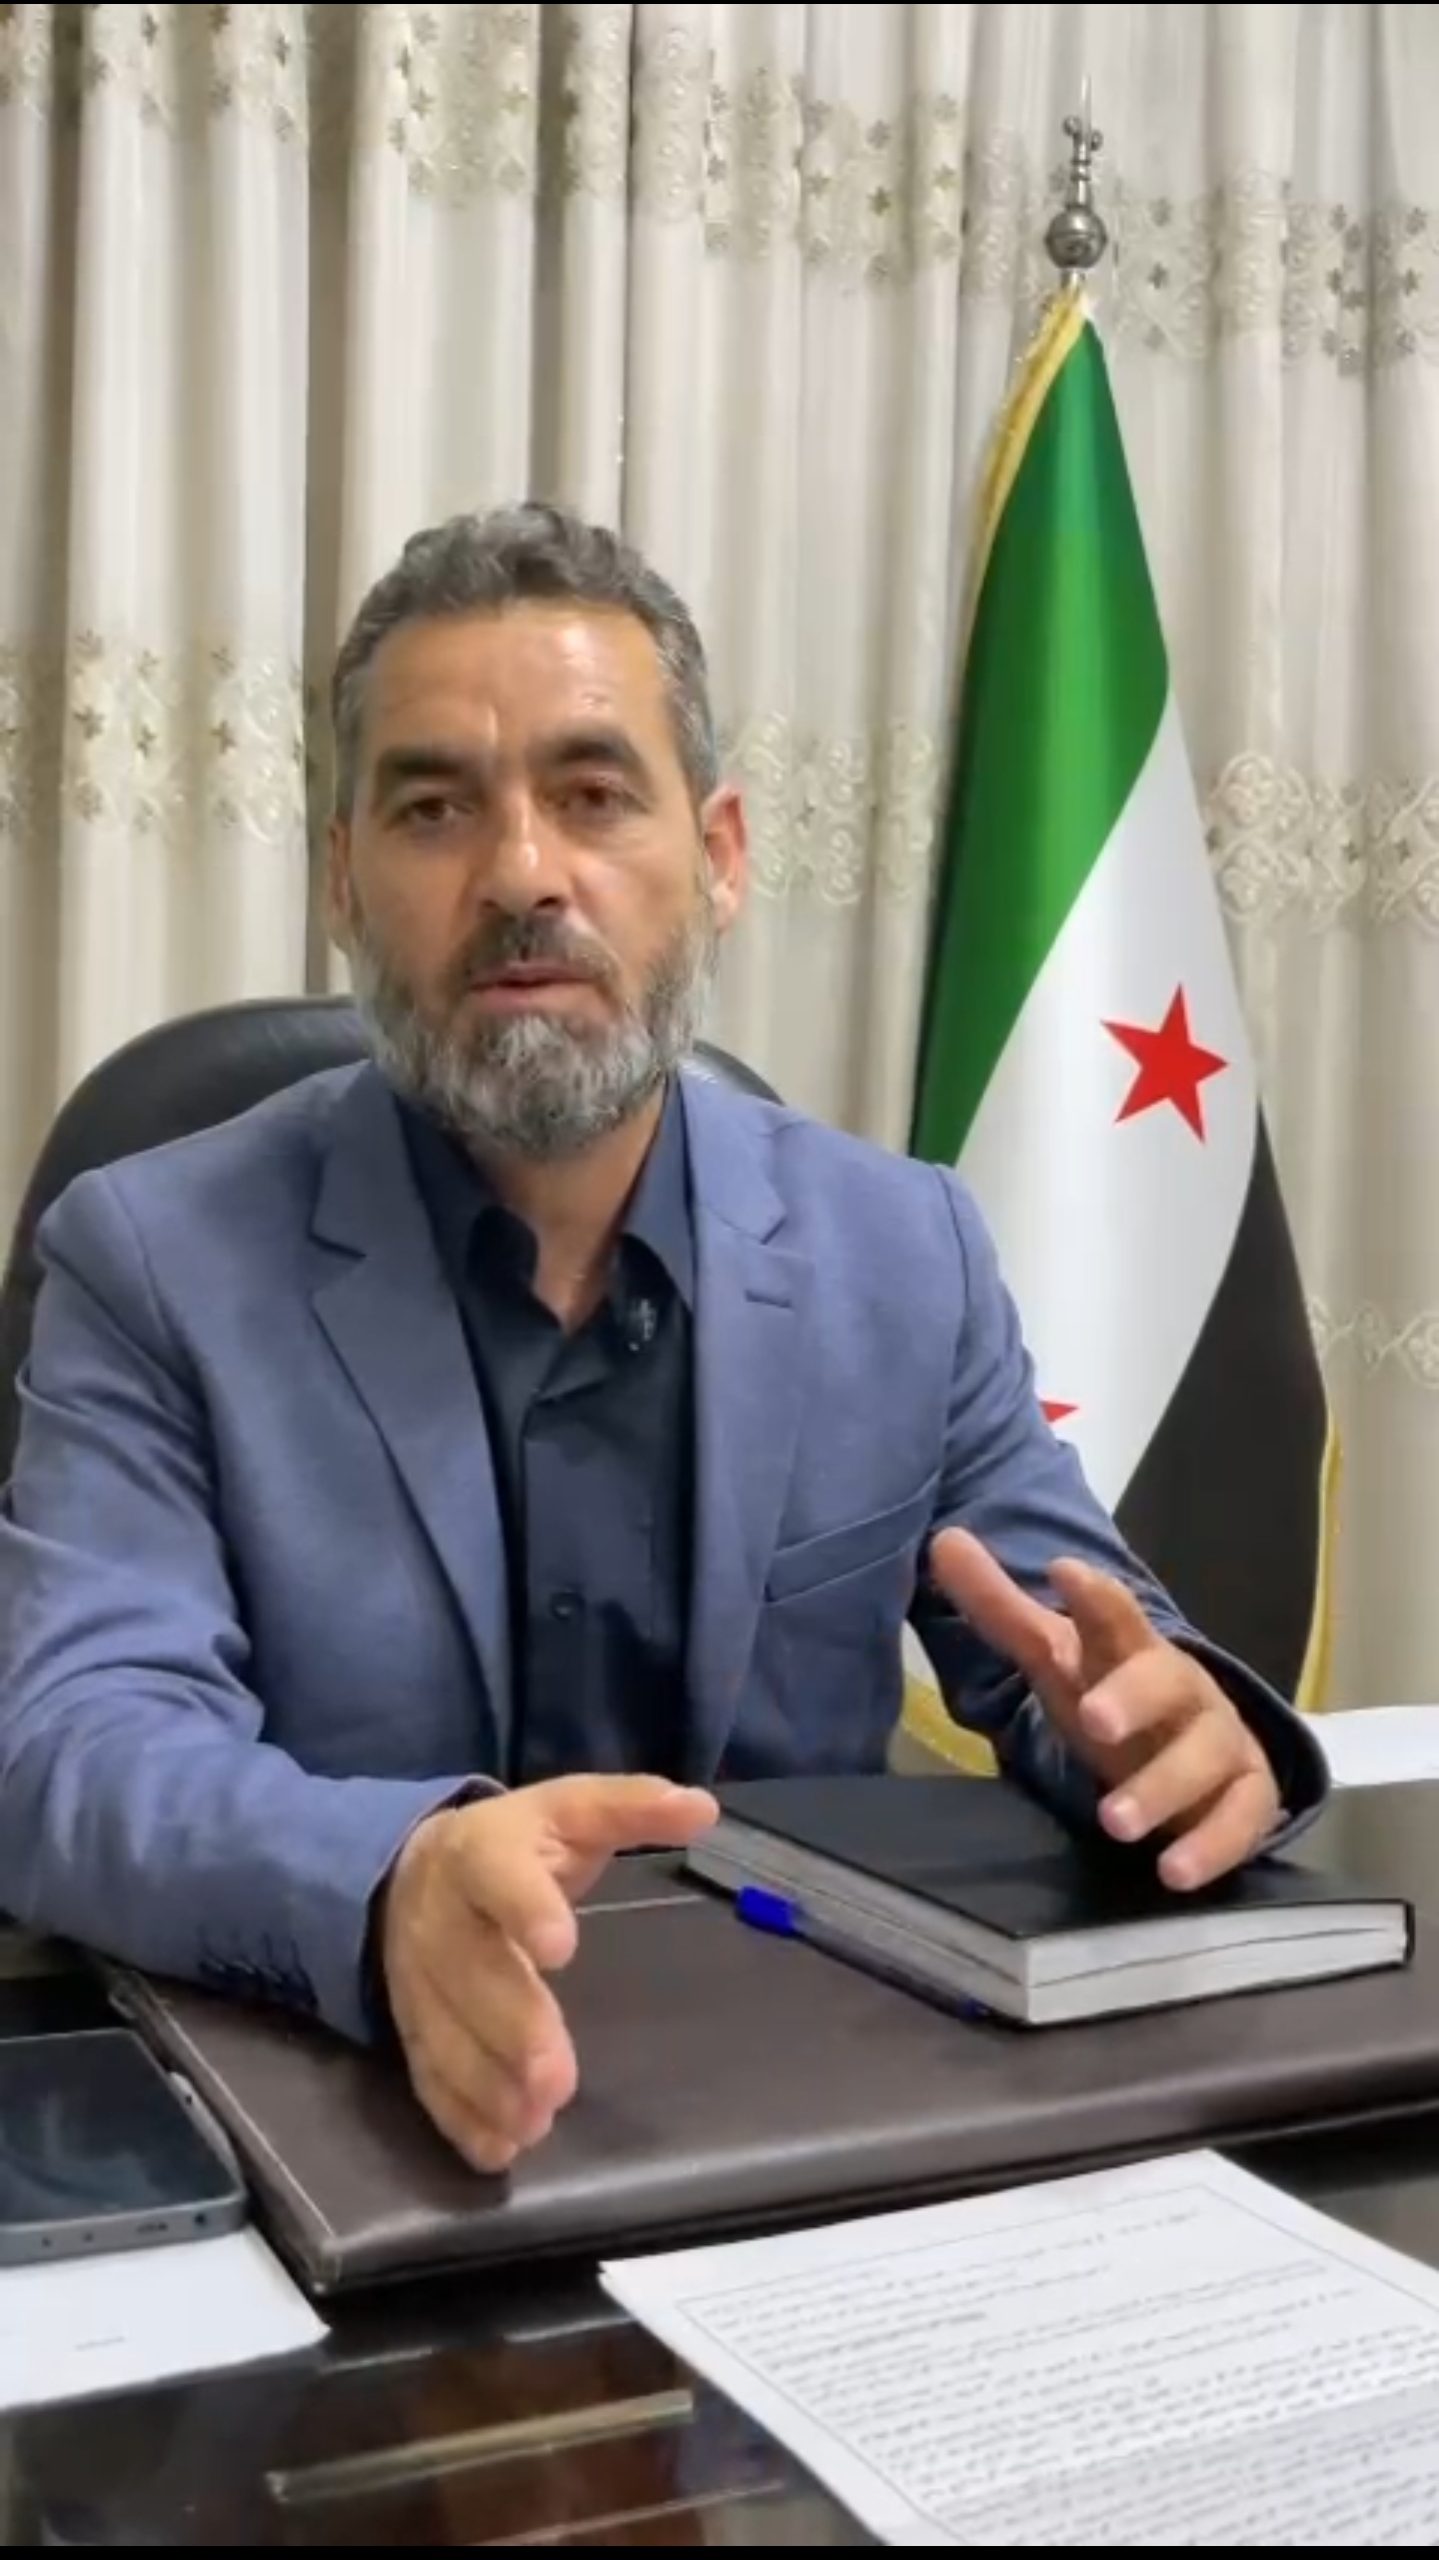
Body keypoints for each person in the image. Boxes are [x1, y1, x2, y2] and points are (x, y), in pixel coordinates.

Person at [0, 504, 1325, 2174]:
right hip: (352, 2117)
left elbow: (1082, 1642)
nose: (521, 874)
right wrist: (388, 1880)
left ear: (721, 858)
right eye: (433, 808)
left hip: (797, 2107)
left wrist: (1169, 1728)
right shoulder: (152, 1256)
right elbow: (71, 1751)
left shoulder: (901, 1250)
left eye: (593, 792)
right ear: (342, 879)